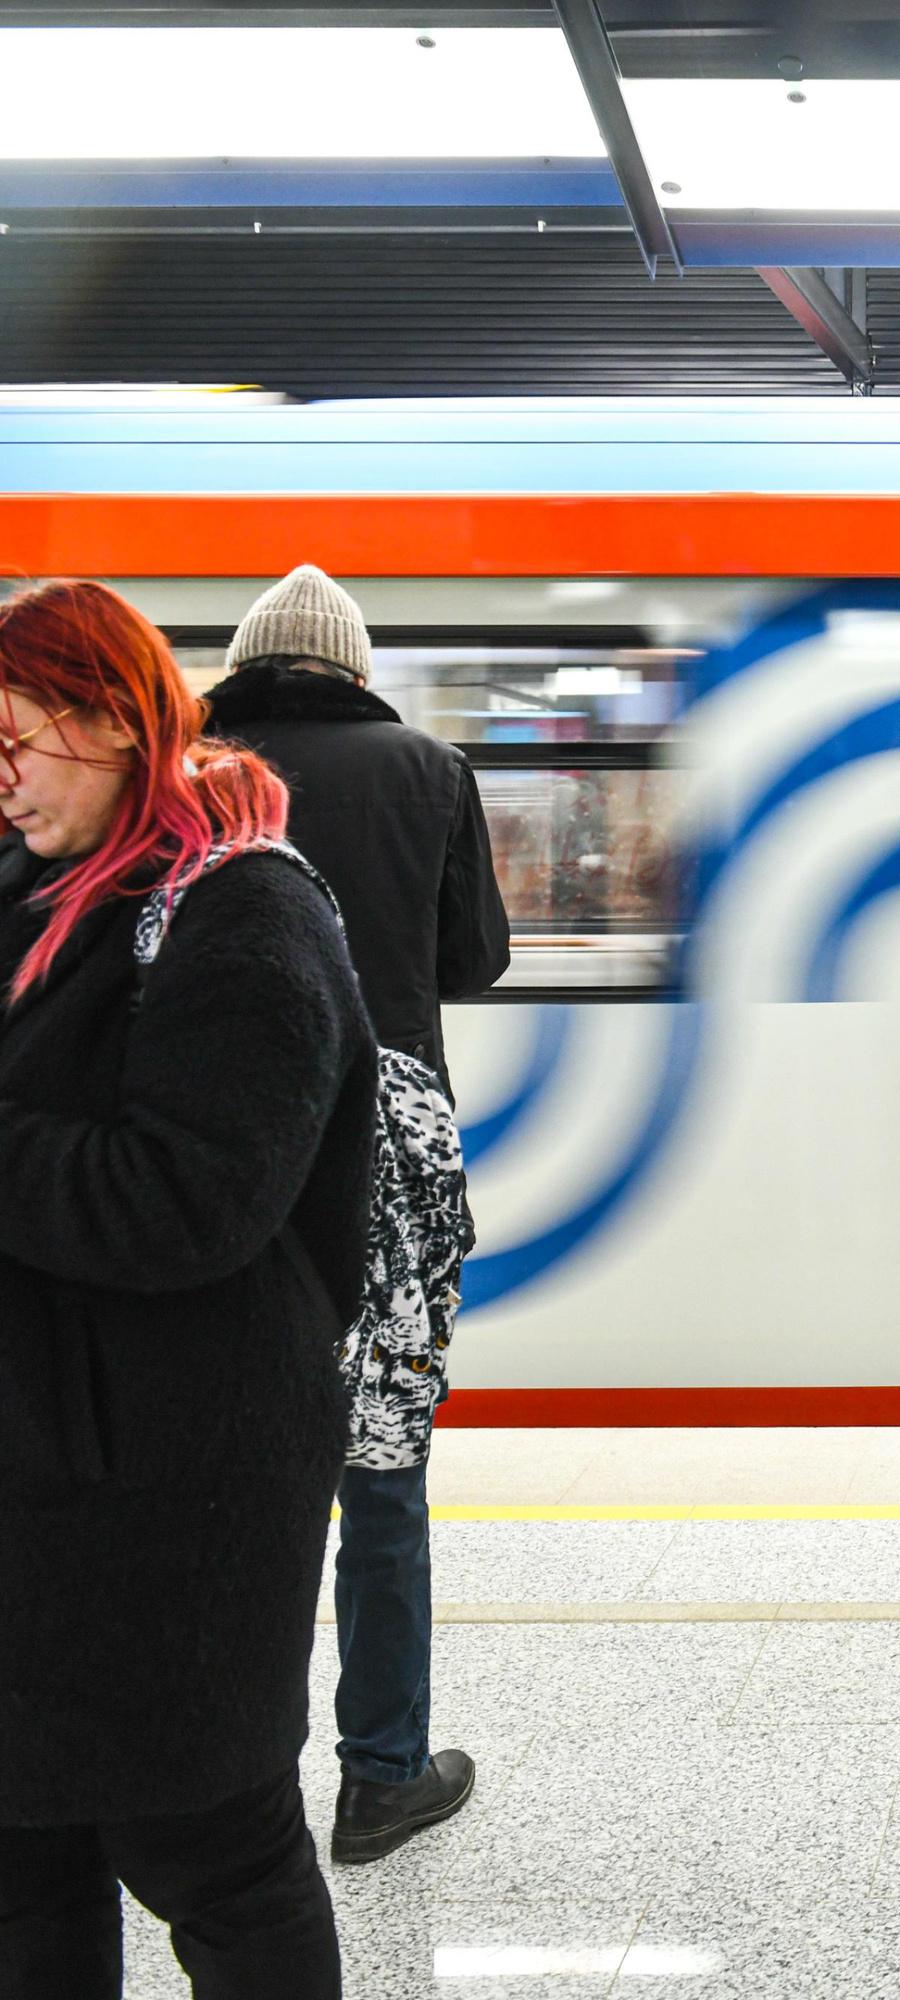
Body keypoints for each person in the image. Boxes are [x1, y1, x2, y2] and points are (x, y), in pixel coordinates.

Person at [0, 579, 376, 1996]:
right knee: (21, 1852)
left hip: (179, 1492)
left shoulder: (248, 916)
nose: (2, 779)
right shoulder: (36, 885)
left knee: (210, 1850)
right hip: (40, 1475)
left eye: (18, 742)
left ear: (108, 720)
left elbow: (186, 1203)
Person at [204, 565, 510, 1865]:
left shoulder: (190, 770)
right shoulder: (431, 770)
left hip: (217, 1153)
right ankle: (384, 1772)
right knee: (381, 1468)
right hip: (383, 1161)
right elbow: (473, 959)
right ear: (356, 666)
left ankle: (215, 1771)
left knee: (212, 1468)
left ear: (250, 660)